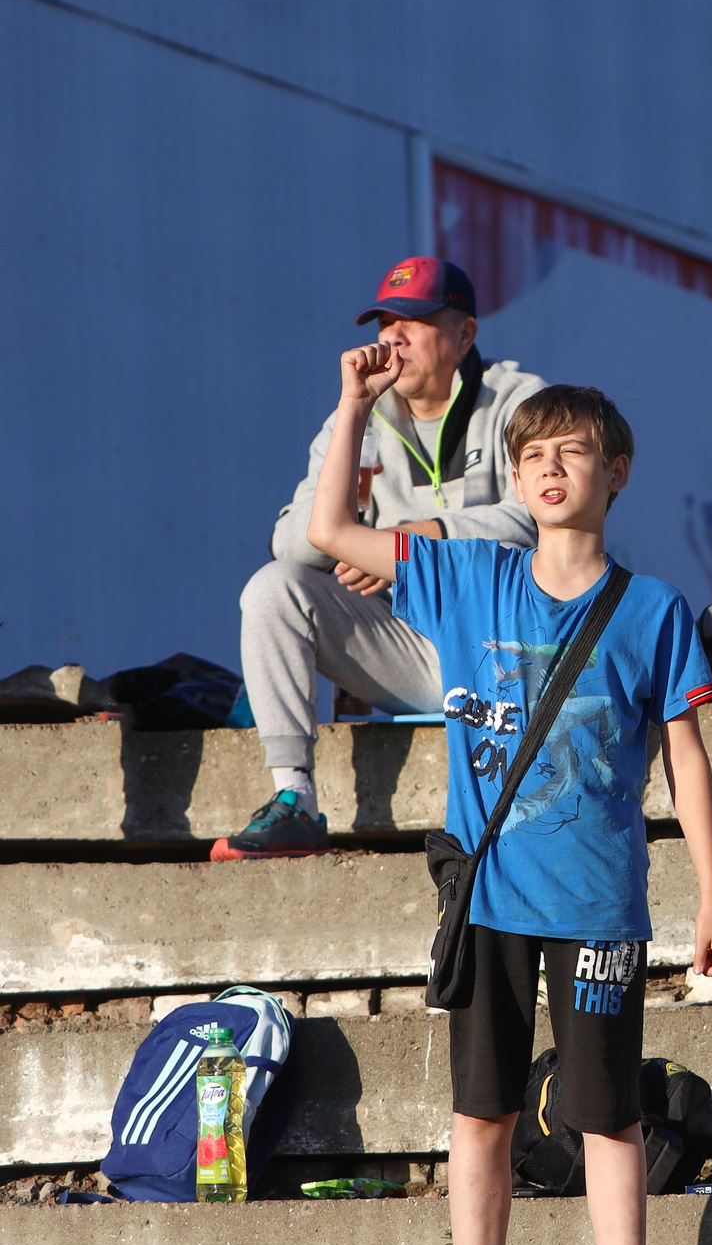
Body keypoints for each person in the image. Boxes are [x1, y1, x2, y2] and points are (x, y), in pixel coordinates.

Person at [305, 356, 712, 1245]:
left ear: (616, 471)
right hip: (488, 896)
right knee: (482, 1111)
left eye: (572, 451)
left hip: (598, 900)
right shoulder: (470, 576)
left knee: (608, 1115)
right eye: (531, 453)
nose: (549, 468)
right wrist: (356, 405)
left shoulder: (652, 609)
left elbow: (686, 755)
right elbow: (329, 533)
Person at [219, 257, 546, 860]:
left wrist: (411, 541)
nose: (392, 338)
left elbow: (540, 521)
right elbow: (289, 542)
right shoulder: (356, 417)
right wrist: (348, 450)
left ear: (465, 335)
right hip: (410, 651)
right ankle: (294, 799)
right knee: (273, 587)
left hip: (506, 654)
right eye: (384, 323)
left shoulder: (520, 402)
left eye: (414, 321)